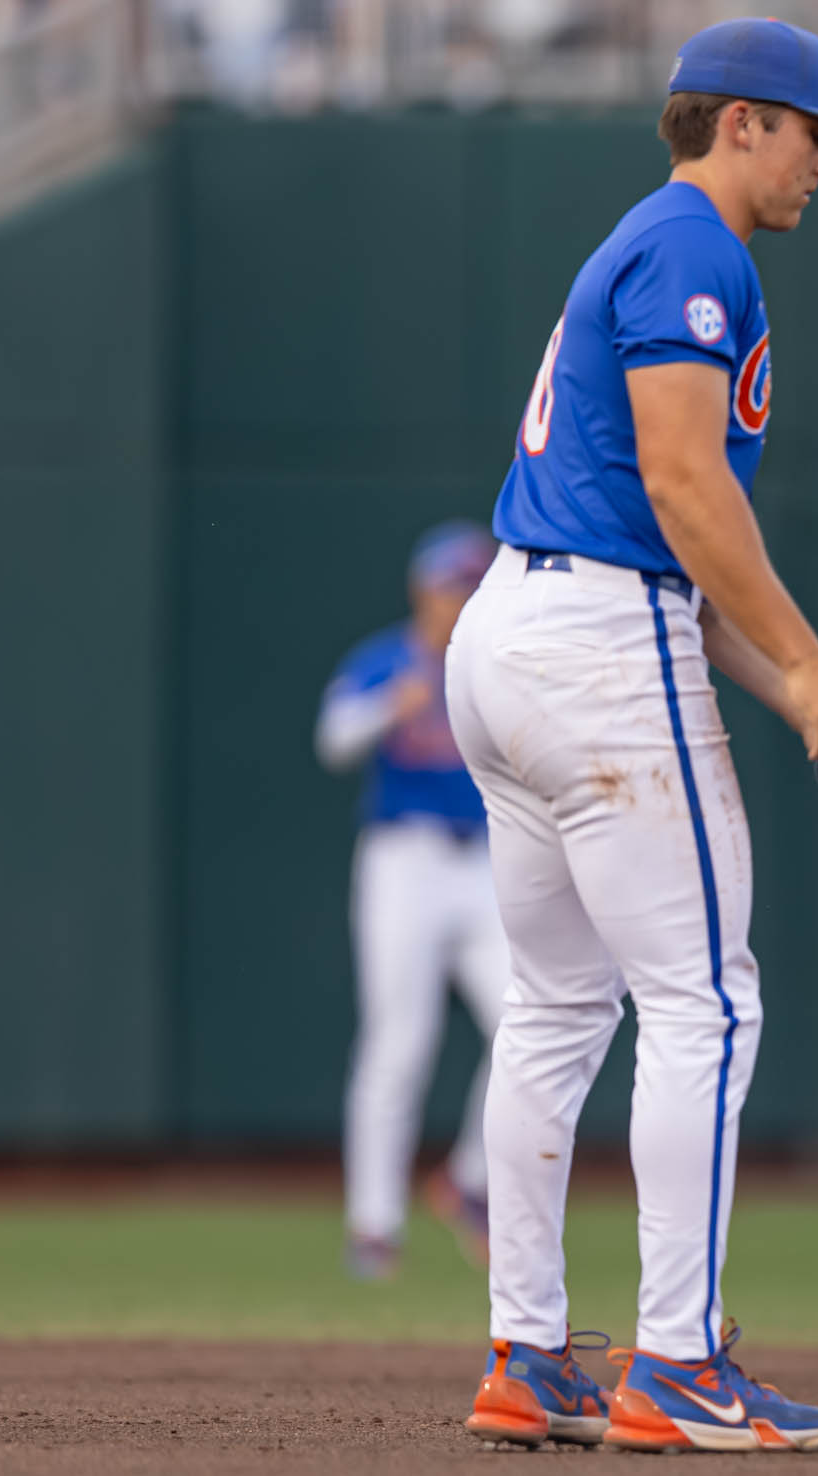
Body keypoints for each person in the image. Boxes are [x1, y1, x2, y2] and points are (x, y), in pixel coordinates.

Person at [444, 17, 818, 1454]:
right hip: (598, 646)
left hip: (516, 636)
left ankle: (526, 1354)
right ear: (744, 120)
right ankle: (679, 1365)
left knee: (558, 1010)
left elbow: (668, 560)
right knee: (705, 1004)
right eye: (817, 130)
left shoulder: (643, 241)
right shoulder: (698, 246)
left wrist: (806, 697)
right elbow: (685, 488)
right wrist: (816, 660)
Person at [315, 519, 506, 1279]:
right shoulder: (387, 659)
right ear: (423, 590)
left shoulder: (497, 666)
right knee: (400, 1040)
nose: (460, 598)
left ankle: (469, 1179)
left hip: (489, 862)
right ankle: (374, 1224)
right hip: (406, 858)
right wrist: (393, 703)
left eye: (472, 585)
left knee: (529, 1023)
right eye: (451, 585)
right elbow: (334, 740)